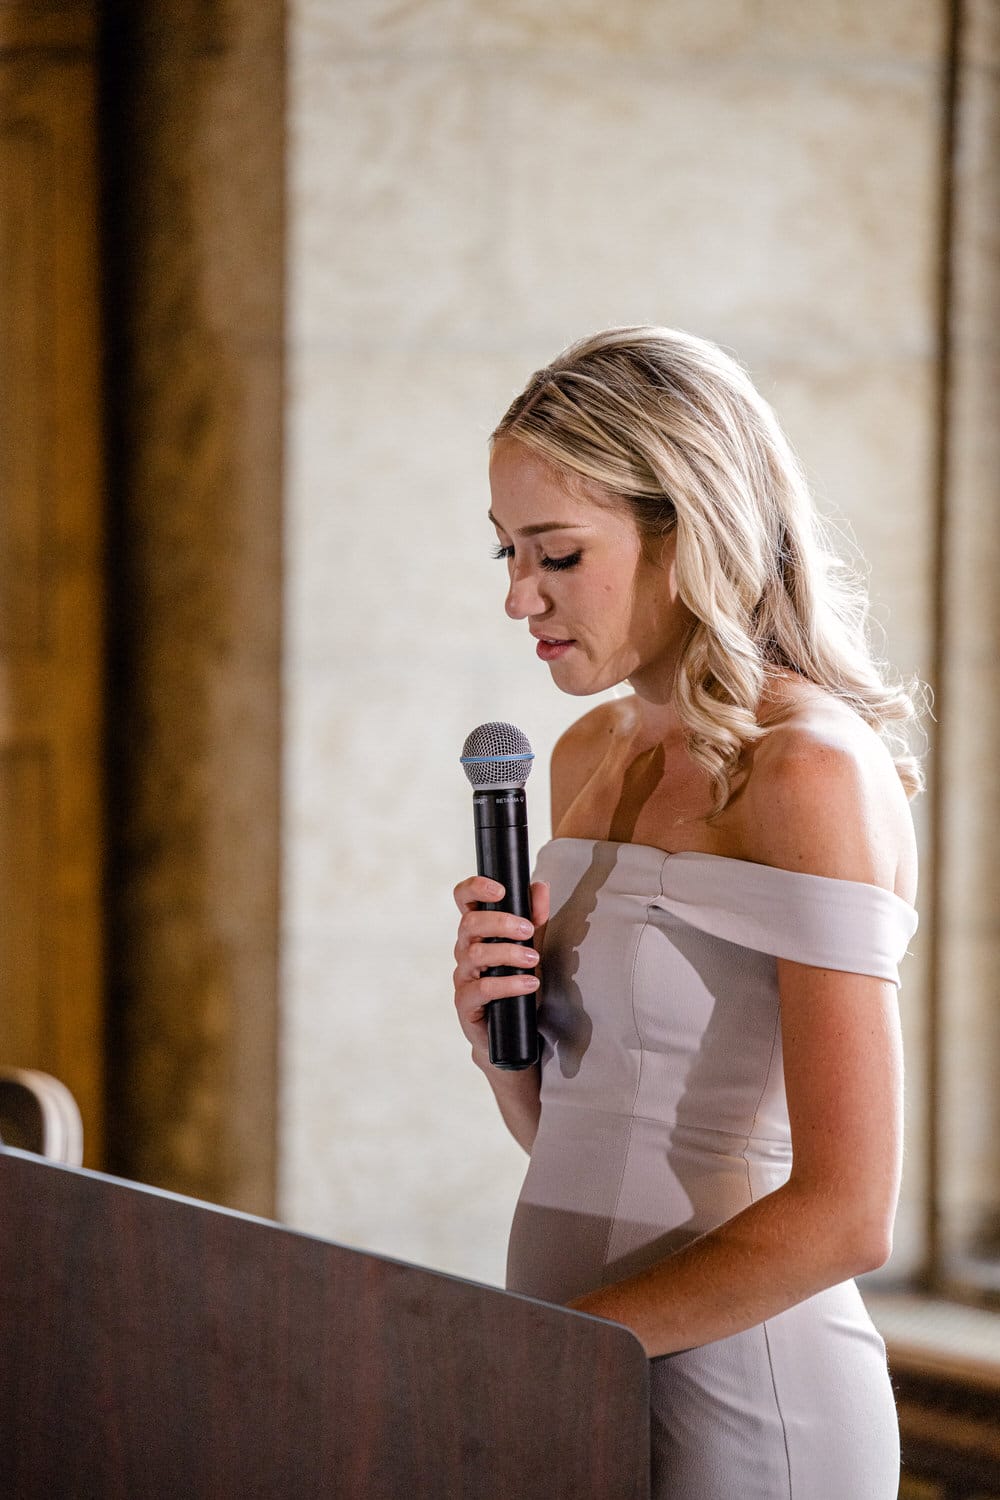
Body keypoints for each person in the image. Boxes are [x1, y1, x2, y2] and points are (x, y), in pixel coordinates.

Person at [451, 326, 923, 1500]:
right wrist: (498, 1043)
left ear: (687, 529)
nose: (520, 595)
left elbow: (847, 1218)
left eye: (557, 554)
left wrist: (561, 1350)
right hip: (572, 1362)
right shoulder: (585, 754)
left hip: (747, 1397)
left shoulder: (808, 770)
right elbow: (594, 1137)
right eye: (507, 552)